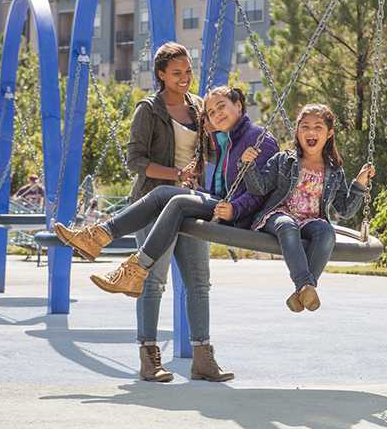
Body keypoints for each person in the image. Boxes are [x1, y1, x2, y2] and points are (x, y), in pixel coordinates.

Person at [55, 44, 277, 383]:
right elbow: (135, 162)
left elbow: (218, 150)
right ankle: (149, 357)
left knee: (199, 283)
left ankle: (203, 359)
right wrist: (177, 175)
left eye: (188, 71)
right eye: (177, 73)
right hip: (154, 203)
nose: (185, 78)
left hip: (194, 201)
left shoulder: (200, 108)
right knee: (152, 282)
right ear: (161, 74)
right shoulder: (149, 110)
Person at [241, 104, 376, 312]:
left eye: (318, 127)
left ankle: (302, 291)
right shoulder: (284, 161)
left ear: (329, 133)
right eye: (305, 127)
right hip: (279, 214)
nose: (311, 132)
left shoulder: (334, 171)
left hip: (311, 220)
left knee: (326, 231)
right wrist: (248, 165)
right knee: (287, 225)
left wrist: (359, 183)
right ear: (297, 131)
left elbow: (345, 210)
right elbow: (260, 188)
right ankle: (305, 285)